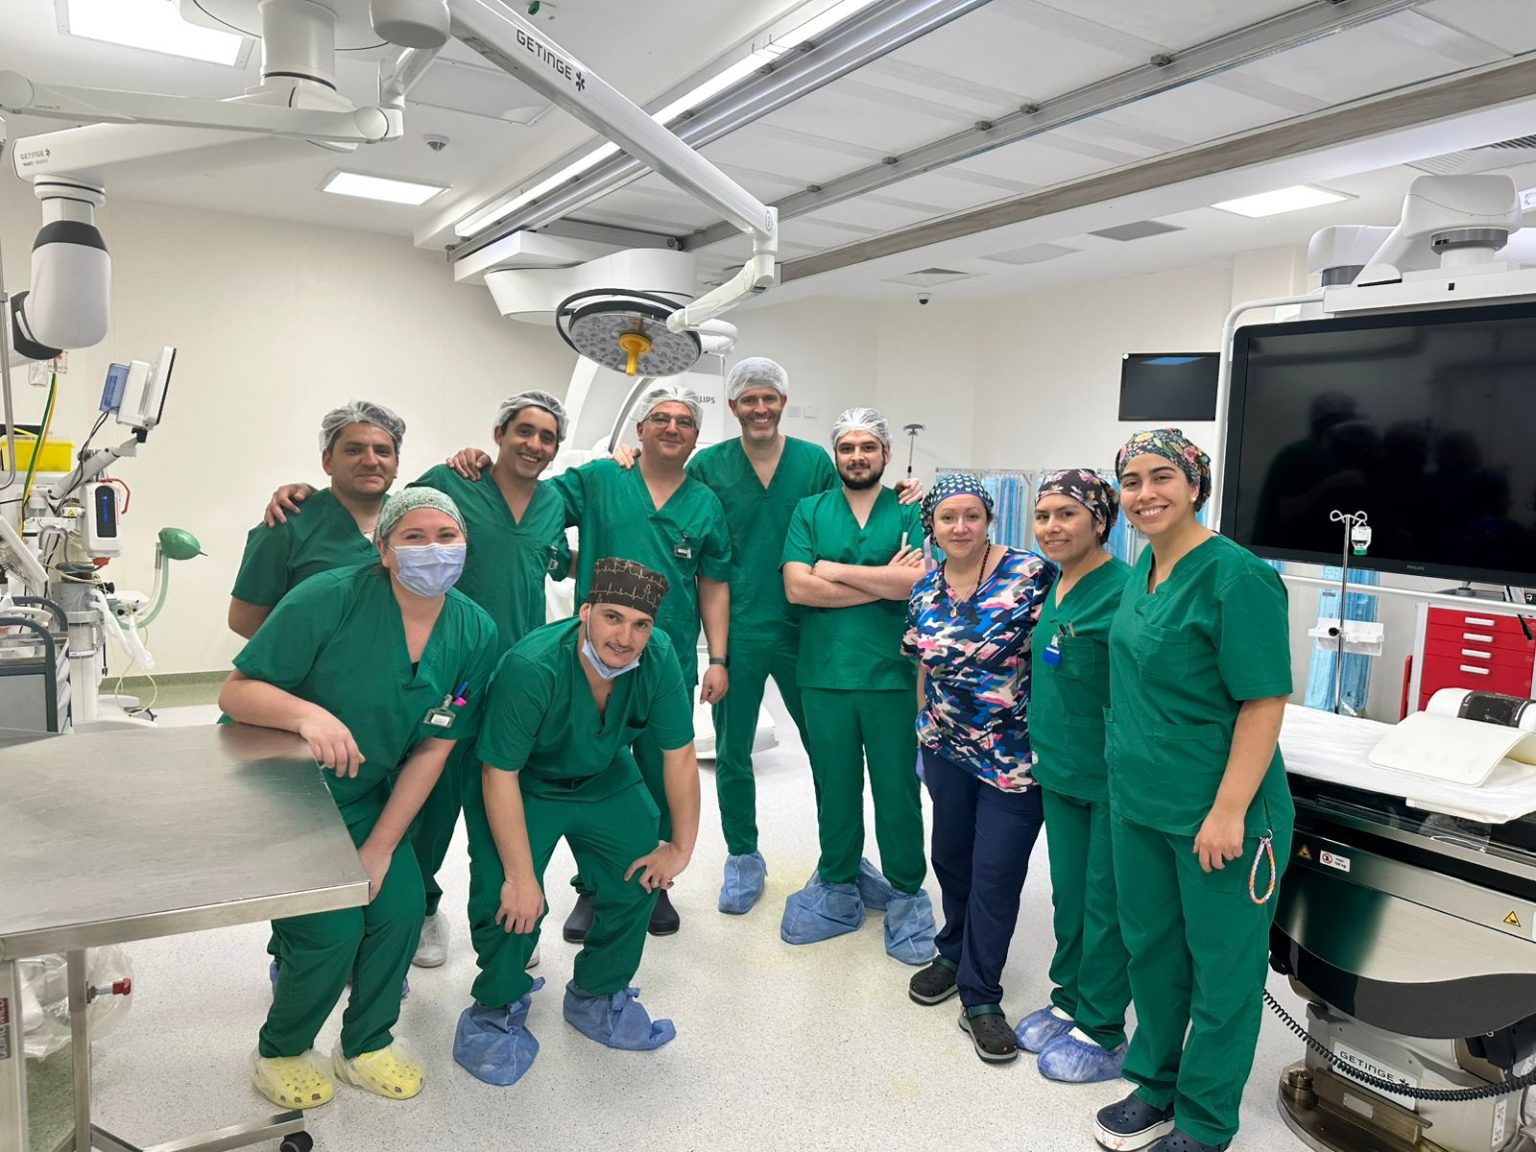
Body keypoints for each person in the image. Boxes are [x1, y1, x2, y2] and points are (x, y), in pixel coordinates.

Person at [261, 393, 573, 971]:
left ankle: (496, 921)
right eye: (522, 431)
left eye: (547, 436)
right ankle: (382, 918)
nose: (534, 444)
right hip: (420, 683)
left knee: (489, 808)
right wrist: (299, 490)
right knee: (411, 806)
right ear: (498, 433)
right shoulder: (448, 483)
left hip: (503, 683)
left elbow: (591, 523)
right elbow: (394, 501)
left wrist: (626, 456)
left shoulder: (558, 499)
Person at [611, 357, 923, 915]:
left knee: (830, 753)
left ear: (783, 402)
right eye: (749, 399)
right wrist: (629, 458)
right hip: (740, 627)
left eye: (769, 398)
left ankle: (843, 861)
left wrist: (902, 490)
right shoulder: (709, 465)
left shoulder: (813, 462)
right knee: (733, 750)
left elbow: (854, 505)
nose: (760, 407)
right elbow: (673, 493)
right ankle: (743, 855)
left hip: (813, 631)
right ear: (733, 406)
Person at [219, 487, 499, 1109]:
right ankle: (282, 1050)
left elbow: (434, 746)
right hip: (285, 792)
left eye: (447, 537)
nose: (433, 551)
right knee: (332, 928)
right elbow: (235, 693)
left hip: (365, 793)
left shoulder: (474, 629)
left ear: (466, 546)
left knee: (400, 909)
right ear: (384, 550)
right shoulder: (330, 598)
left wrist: (382, 845)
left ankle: (366, 1043)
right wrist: (306, 715)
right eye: (414, 538)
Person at [1092, 429, 1293, 1152]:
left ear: (1195, 485)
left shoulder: (1237, 576)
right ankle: (1155, 1084)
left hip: (1218, 811)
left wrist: (1230, 811)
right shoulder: (1144, 568)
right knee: (1152, 953)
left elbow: (1264, 700)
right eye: (1132, 481)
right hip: (1141, 803)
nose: (1145, 494)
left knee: (1222, 970)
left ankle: (1205, 1122)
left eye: (1162, 477)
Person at [454, 558, 699, 1087]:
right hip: (522, 782)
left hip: (603, 773)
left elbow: (679, 754)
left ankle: (597, 994)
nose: (625, 638)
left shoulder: (657, 658)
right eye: (612, 618)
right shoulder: (533, 666)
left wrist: (680, 846)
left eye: (640, 625)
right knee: (509, 899)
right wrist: (521, 877)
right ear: (585, 611)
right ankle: (494, 1008)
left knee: (639, 874)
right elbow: (499, 773)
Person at [541, 384, 731, 941]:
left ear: (695, 438)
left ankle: (655, 881)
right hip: (592, 659)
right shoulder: (602, 479)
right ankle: (594, 888)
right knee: (591, 772)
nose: (672, 428)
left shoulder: (704, 503)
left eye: (685, 422)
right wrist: (565, 560)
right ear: (640, 429)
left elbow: (713, 583)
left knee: (661, 773)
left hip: (667, 659)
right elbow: (532, 504)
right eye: (661, 418)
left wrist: (718, 658)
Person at [901, 473, 1053, 1063]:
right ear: (932, 526)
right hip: (946, 750)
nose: (960, 527)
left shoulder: (1031, 574)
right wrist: (926, 731)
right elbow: (923, 665)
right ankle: (951, 950)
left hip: (1014, 756)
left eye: (972, 516)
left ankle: (981, 996)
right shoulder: (925, 589)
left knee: (996, 872)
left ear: (989, 519)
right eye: (947, 517)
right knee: (951, 858)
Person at [780, 407, 934, 964]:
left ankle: (907, 893)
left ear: (886, 453)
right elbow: (797, 588)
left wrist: (834, 569)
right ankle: (839, 883)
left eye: (868, 446)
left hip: (892, 675)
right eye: (847, 448)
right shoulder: (810, 510)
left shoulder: (910, 508)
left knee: (897, 791)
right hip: (824, 675)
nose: (858, 456)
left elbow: (918, 582)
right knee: (836, 787)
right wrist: (883, 582)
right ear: (836, 456)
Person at [1013, 469, 1135, 1083]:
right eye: (1043, 516)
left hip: (1112, 776)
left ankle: (1104, 1028)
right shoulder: (1054, 584)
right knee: (1069, 895)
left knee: (1106, 902)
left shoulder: (1125, 589)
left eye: (1067, 514)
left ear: (1100, 520)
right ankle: (1069, 999)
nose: (1052, 527)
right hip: (1058, 767)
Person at [229, 400, 404, 638]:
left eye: (382, 451)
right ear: (328, 461)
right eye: (354, 450)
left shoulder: (413, 519)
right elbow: (244, 620)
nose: (371, 461)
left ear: (396, 465)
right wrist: (315, 653)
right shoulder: (288, 524)